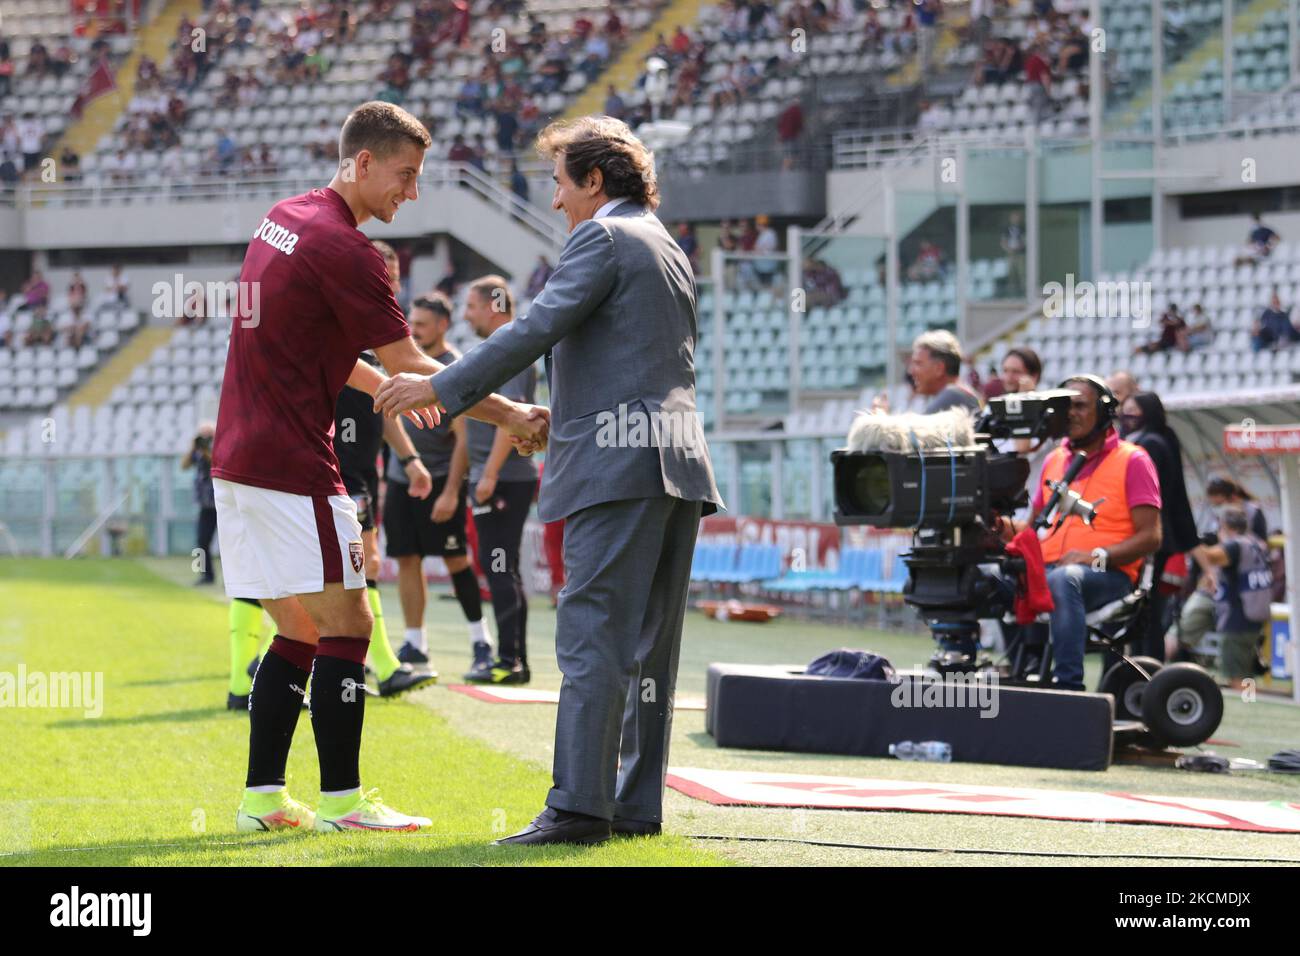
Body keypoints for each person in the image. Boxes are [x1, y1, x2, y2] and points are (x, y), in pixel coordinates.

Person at [375, 115, 722, 845]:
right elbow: (629, 358)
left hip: (619, 465)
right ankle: (631, 807)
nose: (557, 201)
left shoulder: (601, 237)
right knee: (649, 646)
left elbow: (532, 330)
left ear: (594, 180)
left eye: (561, 184)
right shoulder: (667, 244)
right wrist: (543, 416)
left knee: (593, 635)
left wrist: (441, 390)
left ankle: (576, 809)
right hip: (677, 460)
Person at [212, 101, 548, 835]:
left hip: (238, 461)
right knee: (351, 623)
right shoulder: (350, 250)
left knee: (297, 629)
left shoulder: (284, 217)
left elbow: (336, 354)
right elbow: (413, 366)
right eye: (405, 175)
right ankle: (344, 804)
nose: (412, 192)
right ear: (362, 163)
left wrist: (400, 386)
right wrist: (515, 415)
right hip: (293, 463)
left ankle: (262, 800)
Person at [1002, 375, 1163, 690]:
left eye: (1079, 406)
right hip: (1051, 568)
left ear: (1103, 412)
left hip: (1107, 573)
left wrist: (1094, 557)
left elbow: (1152, 537)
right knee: (987, 575)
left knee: (1065, 579)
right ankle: (1001, 672)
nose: (1070, 414)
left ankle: (1069, 686)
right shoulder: (1054, 460)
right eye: (1064, 407)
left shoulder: (1133, 460)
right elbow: (1033, 530)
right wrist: (994, 527)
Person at [332, 239, 439, 699]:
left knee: (352, 567)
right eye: (384, 272)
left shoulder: (381, 330)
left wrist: (410, 458)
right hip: (337, 468)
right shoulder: (345, 322)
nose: (391, 282)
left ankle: (286, 657)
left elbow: (385, 405)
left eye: (395, 275)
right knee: (358, 565)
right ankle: (381, 665)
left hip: (362, 471)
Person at [381, 292, 493, 680]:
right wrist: (391, 474)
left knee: (455, 559)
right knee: (406, 558)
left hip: (443, 479)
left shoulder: (454, 368)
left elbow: (464, 437)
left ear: (443, 325)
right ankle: (416, 642)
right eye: (413, 323)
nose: (415, 330)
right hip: (401, 478)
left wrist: (450, 491)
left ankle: (481, 641)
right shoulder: (399, 362)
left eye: (423, 324)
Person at [457, 274, 539, 684]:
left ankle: (509, 661)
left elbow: (516, 417)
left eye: (471, 307)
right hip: (500, 476)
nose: (466, 316)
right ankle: (514, 659)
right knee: (502, 568)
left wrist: (488, 473)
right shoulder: (505, 346)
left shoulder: (510, 347)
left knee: (499, 567)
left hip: (503, 477)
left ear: (492, 306)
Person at [1117, 391, 1199, 658]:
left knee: (1147, 610)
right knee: (1147, 609)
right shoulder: (1159, 440)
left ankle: (1146, 666)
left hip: (1149, 537)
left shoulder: (1148, 445)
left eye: (1132, 411)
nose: (1125, 417)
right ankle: (1144, 663)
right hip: (1157, 537)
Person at [1195, 506, 1271, 688]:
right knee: (1246, 673)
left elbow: (1210, 557)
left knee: (1237, 676)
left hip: (1237, 618)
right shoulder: (1255, 543)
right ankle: (1250, 703)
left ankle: (1248, 708)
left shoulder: (1235, 545)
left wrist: (1193, 542)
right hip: (1253, 618)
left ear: (1225, 526)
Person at [909, 329, 981, 414]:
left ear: (939, 368)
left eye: (918, 363)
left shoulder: (952, 397)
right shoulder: (962, 395)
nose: (911, 371)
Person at [182, 423, 218, 586]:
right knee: (202, 540)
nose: (204, 439)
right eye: (202, 436)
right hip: (205, 505)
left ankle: (234, 580)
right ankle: (206, 575)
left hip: (222, 504)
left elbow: (216, 463)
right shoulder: (197, 451)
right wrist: (193, 447)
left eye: (208, 436)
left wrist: (207, 449)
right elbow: (184, 465)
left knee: (230, 543)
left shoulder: (218, 449)